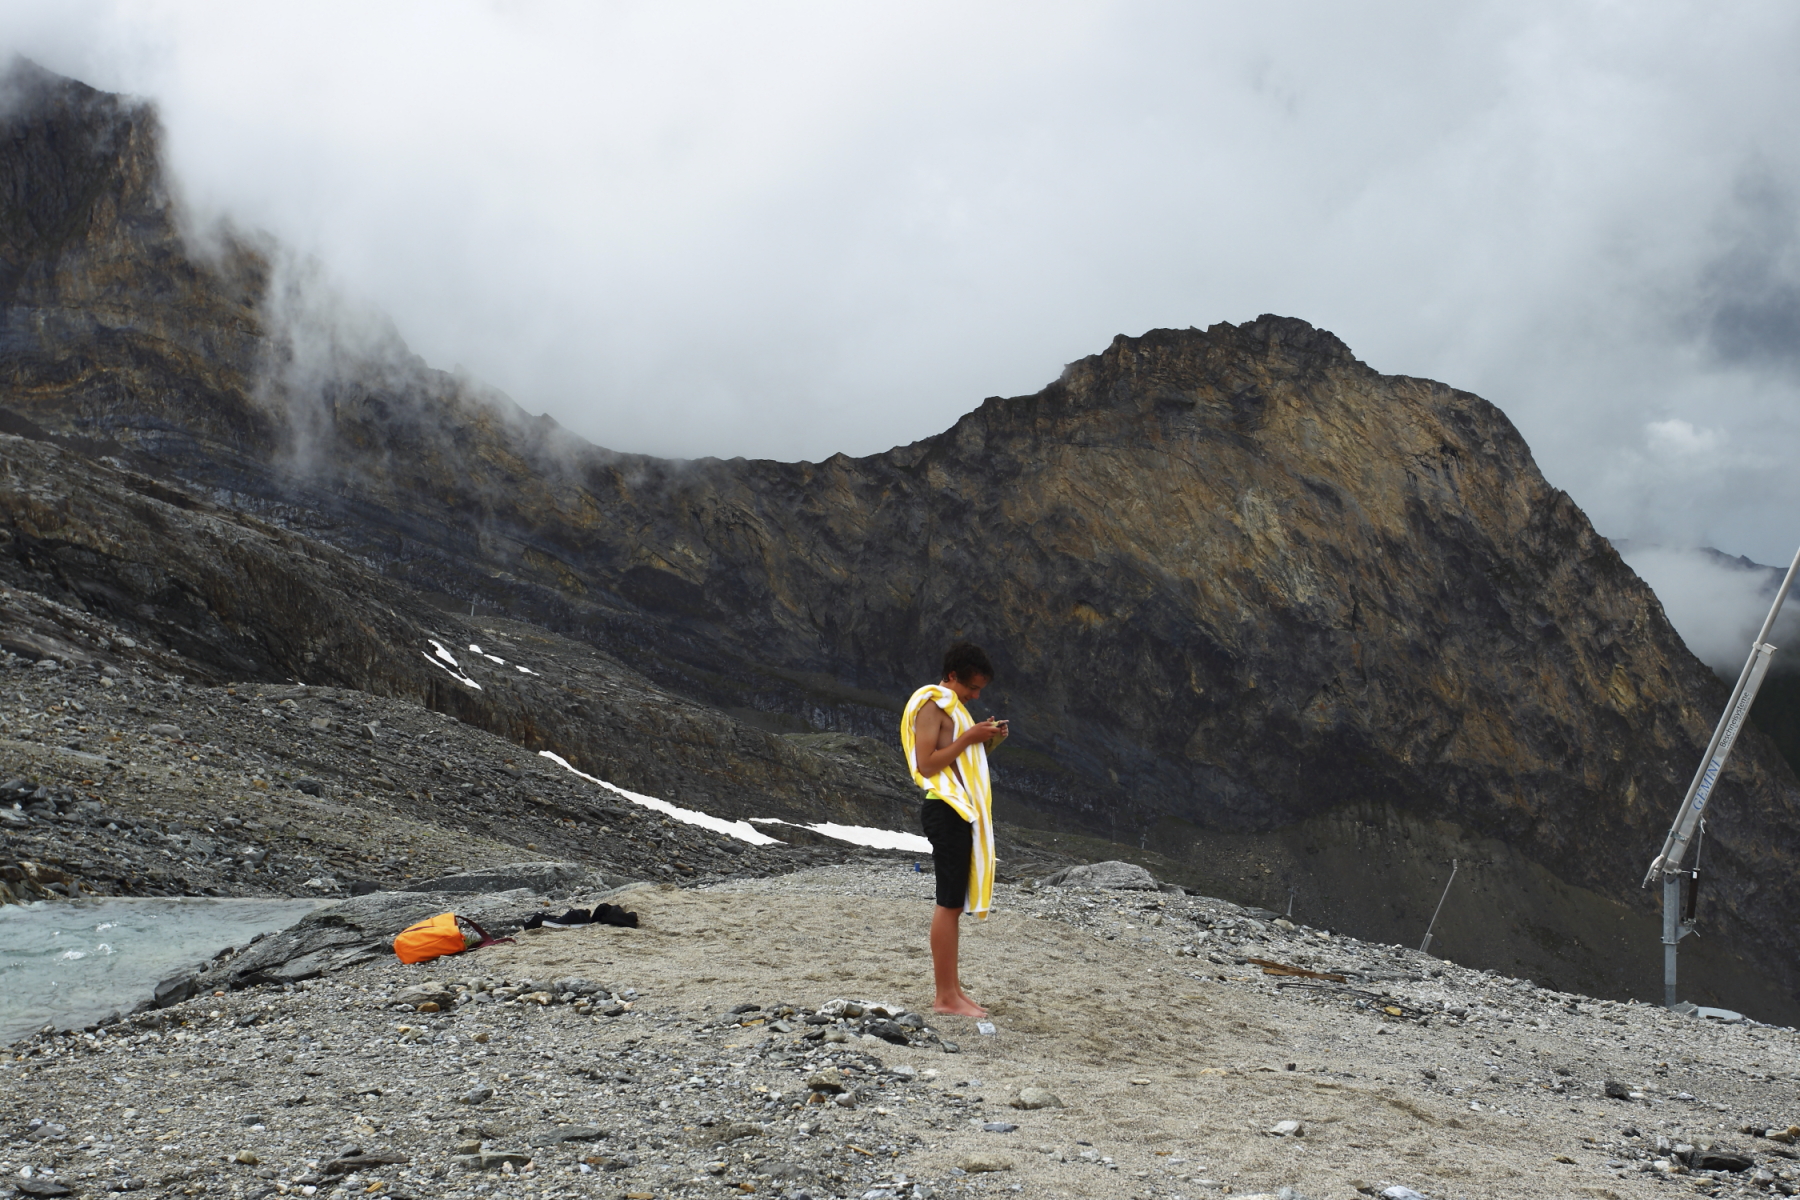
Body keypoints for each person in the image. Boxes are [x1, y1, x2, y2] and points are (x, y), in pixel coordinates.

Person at [899, 642, 1008, 1017]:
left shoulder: (954, 709)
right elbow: (927, 765)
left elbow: (959, 765)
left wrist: (986, 742)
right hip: (944, 811)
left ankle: (954, 991)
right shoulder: (931, 703)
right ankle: (945, 997)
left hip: (958, 811)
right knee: (947, 904)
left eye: (980, 690)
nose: (975, 696)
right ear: (951, 676)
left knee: (954, 903)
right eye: (971, 688)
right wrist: (968, 738)